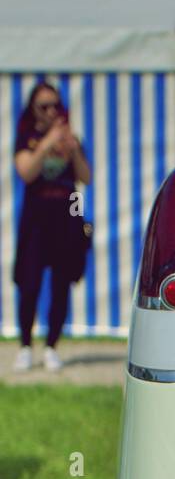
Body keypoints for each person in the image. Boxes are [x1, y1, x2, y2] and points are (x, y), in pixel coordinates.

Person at [12, 82, 91, 372]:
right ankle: (24, 345)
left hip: (66, 214)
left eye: (54, 105)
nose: (50, 111)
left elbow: (86, 177)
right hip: (36, 220)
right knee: (29, 283)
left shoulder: (72, 140)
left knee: (61, 283)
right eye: (43, 106)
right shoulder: (27, 139)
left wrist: (73, 149)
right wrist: (47, 143)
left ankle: (51, 346)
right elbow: (26, 172)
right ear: (33, 110)